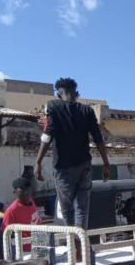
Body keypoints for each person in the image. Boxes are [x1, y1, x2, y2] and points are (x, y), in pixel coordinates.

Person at [34, 77, 111, 234]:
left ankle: (74, 246)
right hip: (84, 165)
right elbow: (98, 138)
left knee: (67, 209)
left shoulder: (52, 106)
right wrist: (106, 163)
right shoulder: (87, 110)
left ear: (58, 94)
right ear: (76, 93)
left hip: (63, 167)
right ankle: (80, 244)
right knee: (82, 209)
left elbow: (47, 135)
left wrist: (38, 162)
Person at [1, 178, 42, 252]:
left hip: (40, 242)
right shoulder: (11, 211)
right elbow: (4, 234)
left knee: (47, 262)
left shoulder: (31, 200)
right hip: (25, 251)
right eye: (21, 195)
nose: (26, 197)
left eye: (28, 194)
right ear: (15, 193)